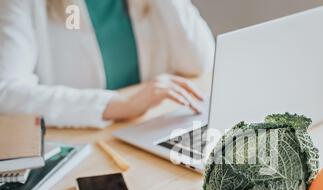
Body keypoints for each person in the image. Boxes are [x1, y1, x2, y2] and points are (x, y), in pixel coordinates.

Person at [0, 0, 215, 128]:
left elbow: (199, 61)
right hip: (84, 143)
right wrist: (121, 106)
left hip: (144, 129)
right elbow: (7, 92)